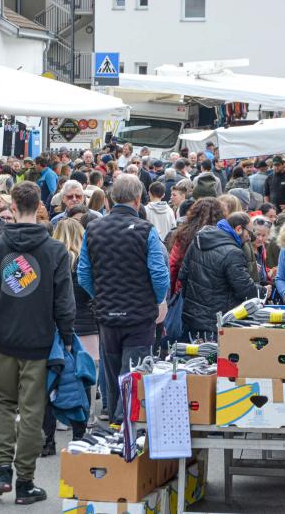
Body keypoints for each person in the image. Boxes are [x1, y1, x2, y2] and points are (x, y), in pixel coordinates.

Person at [0, 181, 75, 505]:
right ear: (39, 207)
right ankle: (25, 481)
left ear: (13, 207)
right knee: (33, 411)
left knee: (4, 405)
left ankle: (1, 469)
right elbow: (64, 301)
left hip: (2, 340)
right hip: (39, 341)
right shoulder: (55, 250)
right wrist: (66, 336)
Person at [78, 175, 168, 424]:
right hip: (139, 315)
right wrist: (155, 300)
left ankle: (116, 421)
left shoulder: (92, 229)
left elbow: (83, 273)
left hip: (107, 314)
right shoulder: (146, 230)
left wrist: (100, 295)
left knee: (112, 371)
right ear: (138, 200)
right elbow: (159, 274)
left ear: (111, 199)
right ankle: (125, 423)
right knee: (134, 372)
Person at [41, 218, 95, 456]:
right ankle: (81, 431)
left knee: (51, 382)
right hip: (86, 326)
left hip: (54, 329)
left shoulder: (49, 258)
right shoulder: (85, 260)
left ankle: (49, 438)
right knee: (82, 379)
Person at [180, 212, 266, 338]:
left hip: (191, 318)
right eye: (250, 233)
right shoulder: (233, 253)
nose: (250, 238)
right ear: (238, 229)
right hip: (217, 323)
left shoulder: (198, 241)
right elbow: (245, 289)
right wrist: (263, 291)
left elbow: (183, 275)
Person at [168, 197, 223, 295]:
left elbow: (173, 265)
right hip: (213, 291)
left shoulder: (184, 235)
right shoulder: (223, 237)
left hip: (186, 289)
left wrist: (171, 293)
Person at [252, 216, 274, 285]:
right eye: (257, 234)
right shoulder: (245, 249)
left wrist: (270, 272)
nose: (260, 238)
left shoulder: (262, 248)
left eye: (263, 235)